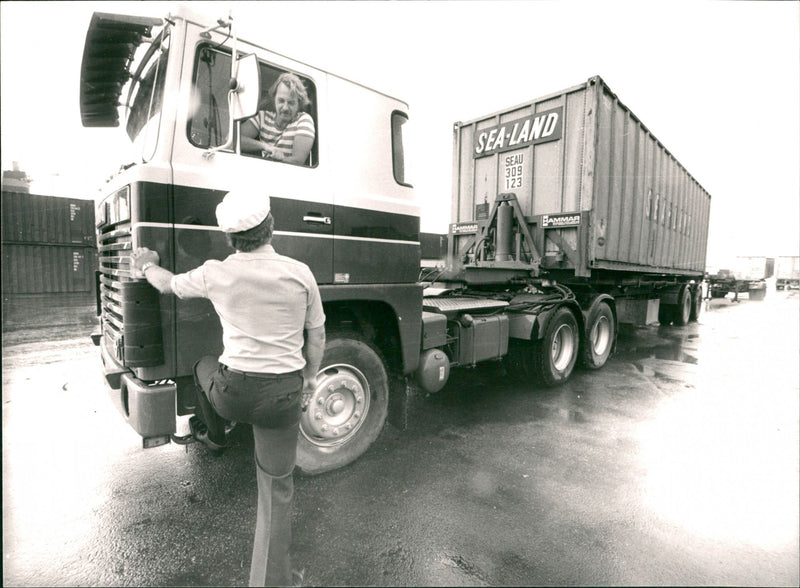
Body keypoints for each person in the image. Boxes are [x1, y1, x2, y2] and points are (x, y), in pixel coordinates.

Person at [130, 189, 326, 587]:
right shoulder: (300, 272)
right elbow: (317, 335)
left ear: (230, 238)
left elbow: (167, 284)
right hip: (281, 397)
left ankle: (214, 434)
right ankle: (273, 581)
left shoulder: (215, 272)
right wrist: (308, 380)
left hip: (231, 394)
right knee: (276, 489)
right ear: (270, 227)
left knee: (203, 365)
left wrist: (147, 265)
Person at [240, 72, 315, 165]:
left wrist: (279, 158)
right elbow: (236, 140)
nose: (285, 107)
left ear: (299, 104)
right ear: (274, 99)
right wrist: (266, 146)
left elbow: (298, 161)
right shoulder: (263, 117)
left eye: (291, 103)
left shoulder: (304, 120)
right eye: (281, 101)